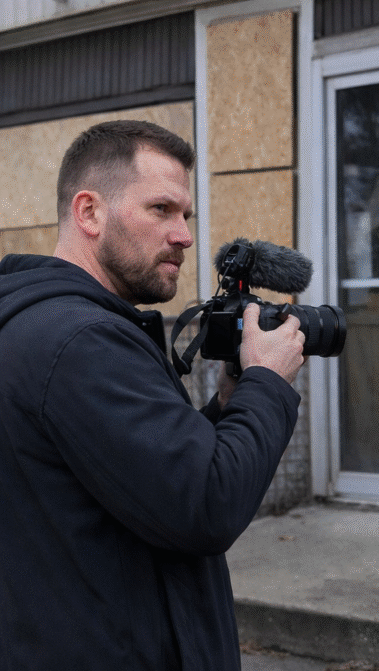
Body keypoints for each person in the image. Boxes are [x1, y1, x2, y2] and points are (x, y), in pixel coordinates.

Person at [0, 121, 306, 670]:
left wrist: (228, 405)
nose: (184, 235)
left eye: (185, 214)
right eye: (161, 209)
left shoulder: (40, 324)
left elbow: (140, 478)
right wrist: (267, 382)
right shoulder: (82, 342)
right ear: (89, 212)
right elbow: (206, 504)